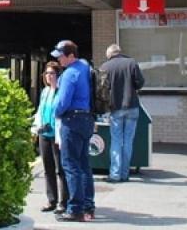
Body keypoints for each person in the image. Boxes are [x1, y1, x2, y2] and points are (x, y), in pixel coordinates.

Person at [51, 40, 95, 222]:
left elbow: (62, 102)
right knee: (84, 165)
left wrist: (54, 113)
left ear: (71, 56)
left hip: (72, 120)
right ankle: (88, 206)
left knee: (71, 165)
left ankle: (75, 209)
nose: (59, 60)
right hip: (86, 119)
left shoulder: (70, 74)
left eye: (61, 56)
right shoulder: (84, 66)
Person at [101, 44, 145, 183]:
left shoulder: (105, 67)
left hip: (115, 107)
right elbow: (140, 83)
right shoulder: (131, 63)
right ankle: (125, 174)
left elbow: (102, 90)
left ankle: (115, 174)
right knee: (128, 141)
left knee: (116, 141)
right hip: (132, 106)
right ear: (119, 52)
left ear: (109, 55)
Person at [32, 62, 69, 213]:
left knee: (61, 169)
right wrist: (36, 128)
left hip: (57, 135)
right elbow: (40, 110)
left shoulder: (61, 92)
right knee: (48, 168)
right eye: (46, 73)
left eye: (52, 73)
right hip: (44, 134)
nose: (49, 76)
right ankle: (51, 200)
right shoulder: (45, 92)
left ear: (58, 75)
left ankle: (63, 201)